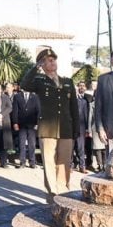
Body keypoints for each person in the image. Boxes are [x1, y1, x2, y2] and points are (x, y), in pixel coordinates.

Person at [21, 48, 79, 197]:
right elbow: (24, 84)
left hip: (66, 127)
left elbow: (74, 107)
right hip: (47, 129)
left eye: (54, 59)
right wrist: (36, 68)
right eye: (48, 59)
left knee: (64, 162)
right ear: (42, 63)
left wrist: (76, 129)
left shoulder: (67, 81)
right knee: (49, 162)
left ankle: (63, 190)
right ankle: (52, 193)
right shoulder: (40, 81)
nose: (52, 61)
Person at [12, 84, 39, 169]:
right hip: (21, 124)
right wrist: (15, 123)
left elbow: (38, 111)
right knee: (21, 143)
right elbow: (15, 111)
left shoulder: (35, 97)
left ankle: (32, 162)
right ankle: (22, 162)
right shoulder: (17, 96)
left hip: (32, 125)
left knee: (32, 144)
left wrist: (37, 123)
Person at [73, 82, 92, 173]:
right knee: (71, 147)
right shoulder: (71, 100)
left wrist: (87, 128)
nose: (81, 88)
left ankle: (82, 166)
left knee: (81, 147)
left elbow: (86, 115)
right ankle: (70, 166)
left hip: (82, 127)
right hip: (72, 127)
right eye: (79, 86)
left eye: (83, 86)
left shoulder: (85, 100)